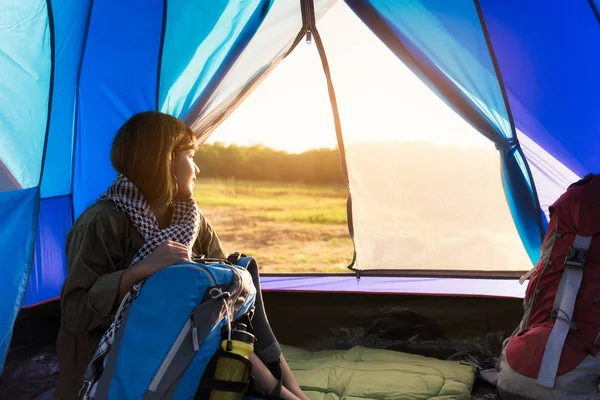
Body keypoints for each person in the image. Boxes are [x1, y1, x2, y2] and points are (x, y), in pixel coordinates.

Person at [55, 111, 308, 400]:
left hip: (182, 350)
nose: (197, 169)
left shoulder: (191, 220)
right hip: (115, 369)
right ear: (164, 161)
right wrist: (137, 272)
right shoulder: (101, 222)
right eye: (190, 156)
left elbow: (227, 298)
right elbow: (75, 315)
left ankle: (291, 391)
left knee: (238, 283)